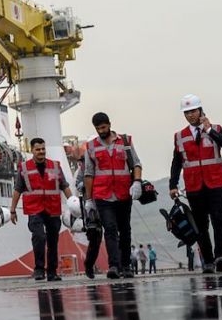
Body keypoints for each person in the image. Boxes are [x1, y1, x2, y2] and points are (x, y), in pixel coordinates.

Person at [170, 94, 222, 272]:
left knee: (218, 220)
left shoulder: (215, 128)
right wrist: (172, 185)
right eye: (187, 112)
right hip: (194, 186)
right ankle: (208, 260)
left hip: (216, 183)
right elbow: (176, 162)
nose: (190, 115)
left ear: (200, 110)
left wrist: (209, 130)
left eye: (193, 111)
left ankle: (221, 256)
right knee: (200, 225)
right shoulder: (180, 136)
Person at [80, 112, 142, 279]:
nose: (101, 131)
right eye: (98, 129)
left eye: (104, 127)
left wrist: (137, 181)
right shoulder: (91, 146)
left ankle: (126, 265)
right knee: (110, 229)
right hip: (103, 195)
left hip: (123, 193)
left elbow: (136, 163)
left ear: (109, 124)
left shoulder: (125, 141)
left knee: (125, 230)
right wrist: (89, 199)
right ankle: (114, 266)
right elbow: (88, 173)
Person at [16, 137, 72, 281]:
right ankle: (39, 269)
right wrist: (12, 209)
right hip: (34, 209)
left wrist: (73, 204)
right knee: (39, 237)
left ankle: (52, 271)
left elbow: (64, 185)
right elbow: (18, 188)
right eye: (38, 149)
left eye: (43, 149)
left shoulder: (55, 166)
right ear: (32, 150)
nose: (41, 152)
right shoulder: (24, 167)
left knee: (53, 240)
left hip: (52, 208)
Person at [81, 194, 106, 279]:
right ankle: (89, 264)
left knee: (113, 233)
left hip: (108, 202)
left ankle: (116, 265)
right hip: (91, 208)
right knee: (95, 240)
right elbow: (79, 184)